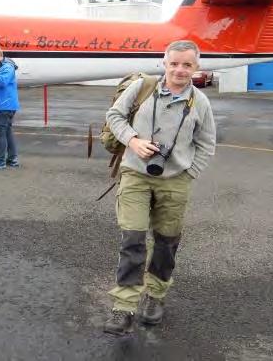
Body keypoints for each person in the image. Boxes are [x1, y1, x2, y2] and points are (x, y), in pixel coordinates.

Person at [102, 40, 216, 335]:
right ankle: (124, 306)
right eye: (174, 63)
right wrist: (133, 140)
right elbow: (114, 116)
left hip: (175, 180)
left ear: (196, 67)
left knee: (166, 243)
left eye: (187, 64)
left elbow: (206, 143)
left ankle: (155, 296)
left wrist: (189, 173)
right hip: (135, 176)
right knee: (133, 240)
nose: (179, 69)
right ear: (164, 63)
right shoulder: (143, 87)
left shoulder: (200, 102)